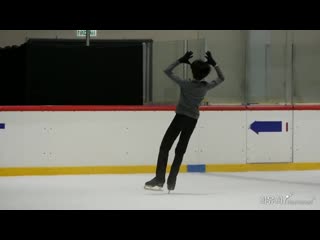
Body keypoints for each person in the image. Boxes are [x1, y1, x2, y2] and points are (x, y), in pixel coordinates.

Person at [144, 51, 225, 192]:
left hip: (180, 117)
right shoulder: (205, 87)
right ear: (205, 74)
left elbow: (167, 71)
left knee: (165, 147)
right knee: (180, 150)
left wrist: (180, 60)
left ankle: (159, 179)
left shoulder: (185, 84)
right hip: (192, 120)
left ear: (192, 71)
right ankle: (172, 180)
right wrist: (214, 63)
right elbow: (221, 78)